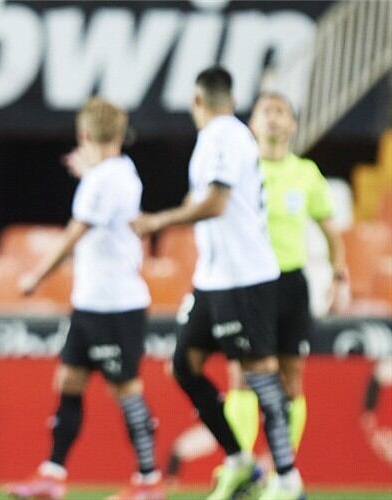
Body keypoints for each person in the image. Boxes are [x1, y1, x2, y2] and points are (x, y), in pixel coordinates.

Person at [131, 66, 304, 500]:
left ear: (197, 100)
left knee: (261, 374)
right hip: (214, 279)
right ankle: (239, 459)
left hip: (244, 277)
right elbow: (207, 196)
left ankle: (287, 479)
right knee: (184, 366)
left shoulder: (224, 135)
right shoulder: (221, 138)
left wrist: (159, 219)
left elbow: (216, 202)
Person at [6, 98, 163, 500]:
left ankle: (149, 482)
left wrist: (36, 276)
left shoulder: (102, 181)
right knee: (70, 380)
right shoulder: (120, 170)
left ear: (85, 135)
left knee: (126, 388)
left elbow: (76, 233)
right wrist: (90, 168)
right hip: (92, 303)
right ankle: (52, 474)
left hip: (114, 304)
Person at [221, 92, 348, 469]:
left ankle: (282, 469)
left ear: (292, 125)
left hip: (290, 283)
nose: (274, 118)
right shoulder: (240, 170)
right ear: (252, 124)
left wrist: (339, 275)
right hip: (247, 284)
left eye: (281, 112)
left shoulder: (305, 173)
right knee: (242, 376)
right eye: (266, 111)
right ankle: (241, 466)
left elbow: (330, 232)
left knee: (291, 380)